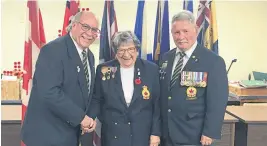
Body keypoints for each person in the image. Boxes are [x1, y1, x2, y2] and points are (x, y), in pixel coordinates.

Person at [21, 11, 99, 146]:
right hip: (47, 136)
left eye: (94, 30)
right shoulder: (53, 50)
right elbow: (49, 92)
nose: (89, 33)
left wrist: (90, 118)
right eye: (85, 27)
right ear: (73, 25)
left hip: (70, 134)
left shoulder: (89, 56)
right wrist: (80, 118)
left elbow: (86, 92)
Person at [159, 10, 228, 146]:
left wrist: (210, 131)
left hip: (194, 134)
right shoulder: (166, 57)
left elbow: (218, 100)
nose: (181, 36)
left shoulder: (213, 61)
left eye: (185, 31)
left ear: (196, 30)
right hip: (166, 132)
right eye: (176, 32)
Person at [89, 31, 161, 146]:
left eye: (131, 49)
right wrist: (90, 118)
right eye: (121, 50)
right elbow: (97, 99)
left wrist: (155, 133)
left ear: (136, 50)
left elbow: (157, 104)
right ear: (115, 52)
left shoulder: (151, 70)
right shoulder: (104, 69)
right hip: (113, 134)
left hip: (143, 135)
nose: (126, 54)